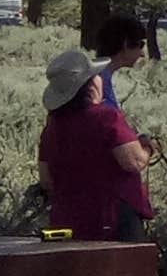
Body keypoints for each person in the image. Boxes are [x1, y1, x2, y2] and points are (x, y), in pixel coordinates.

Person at [40, 43, 160, 240]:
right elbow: (133, 161)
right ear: (89, 85)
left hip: (67, 221)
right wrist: (147, 147)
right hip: (112, 219)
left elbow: (46, 179)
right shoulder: (105, 117)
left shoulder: (52, 126)